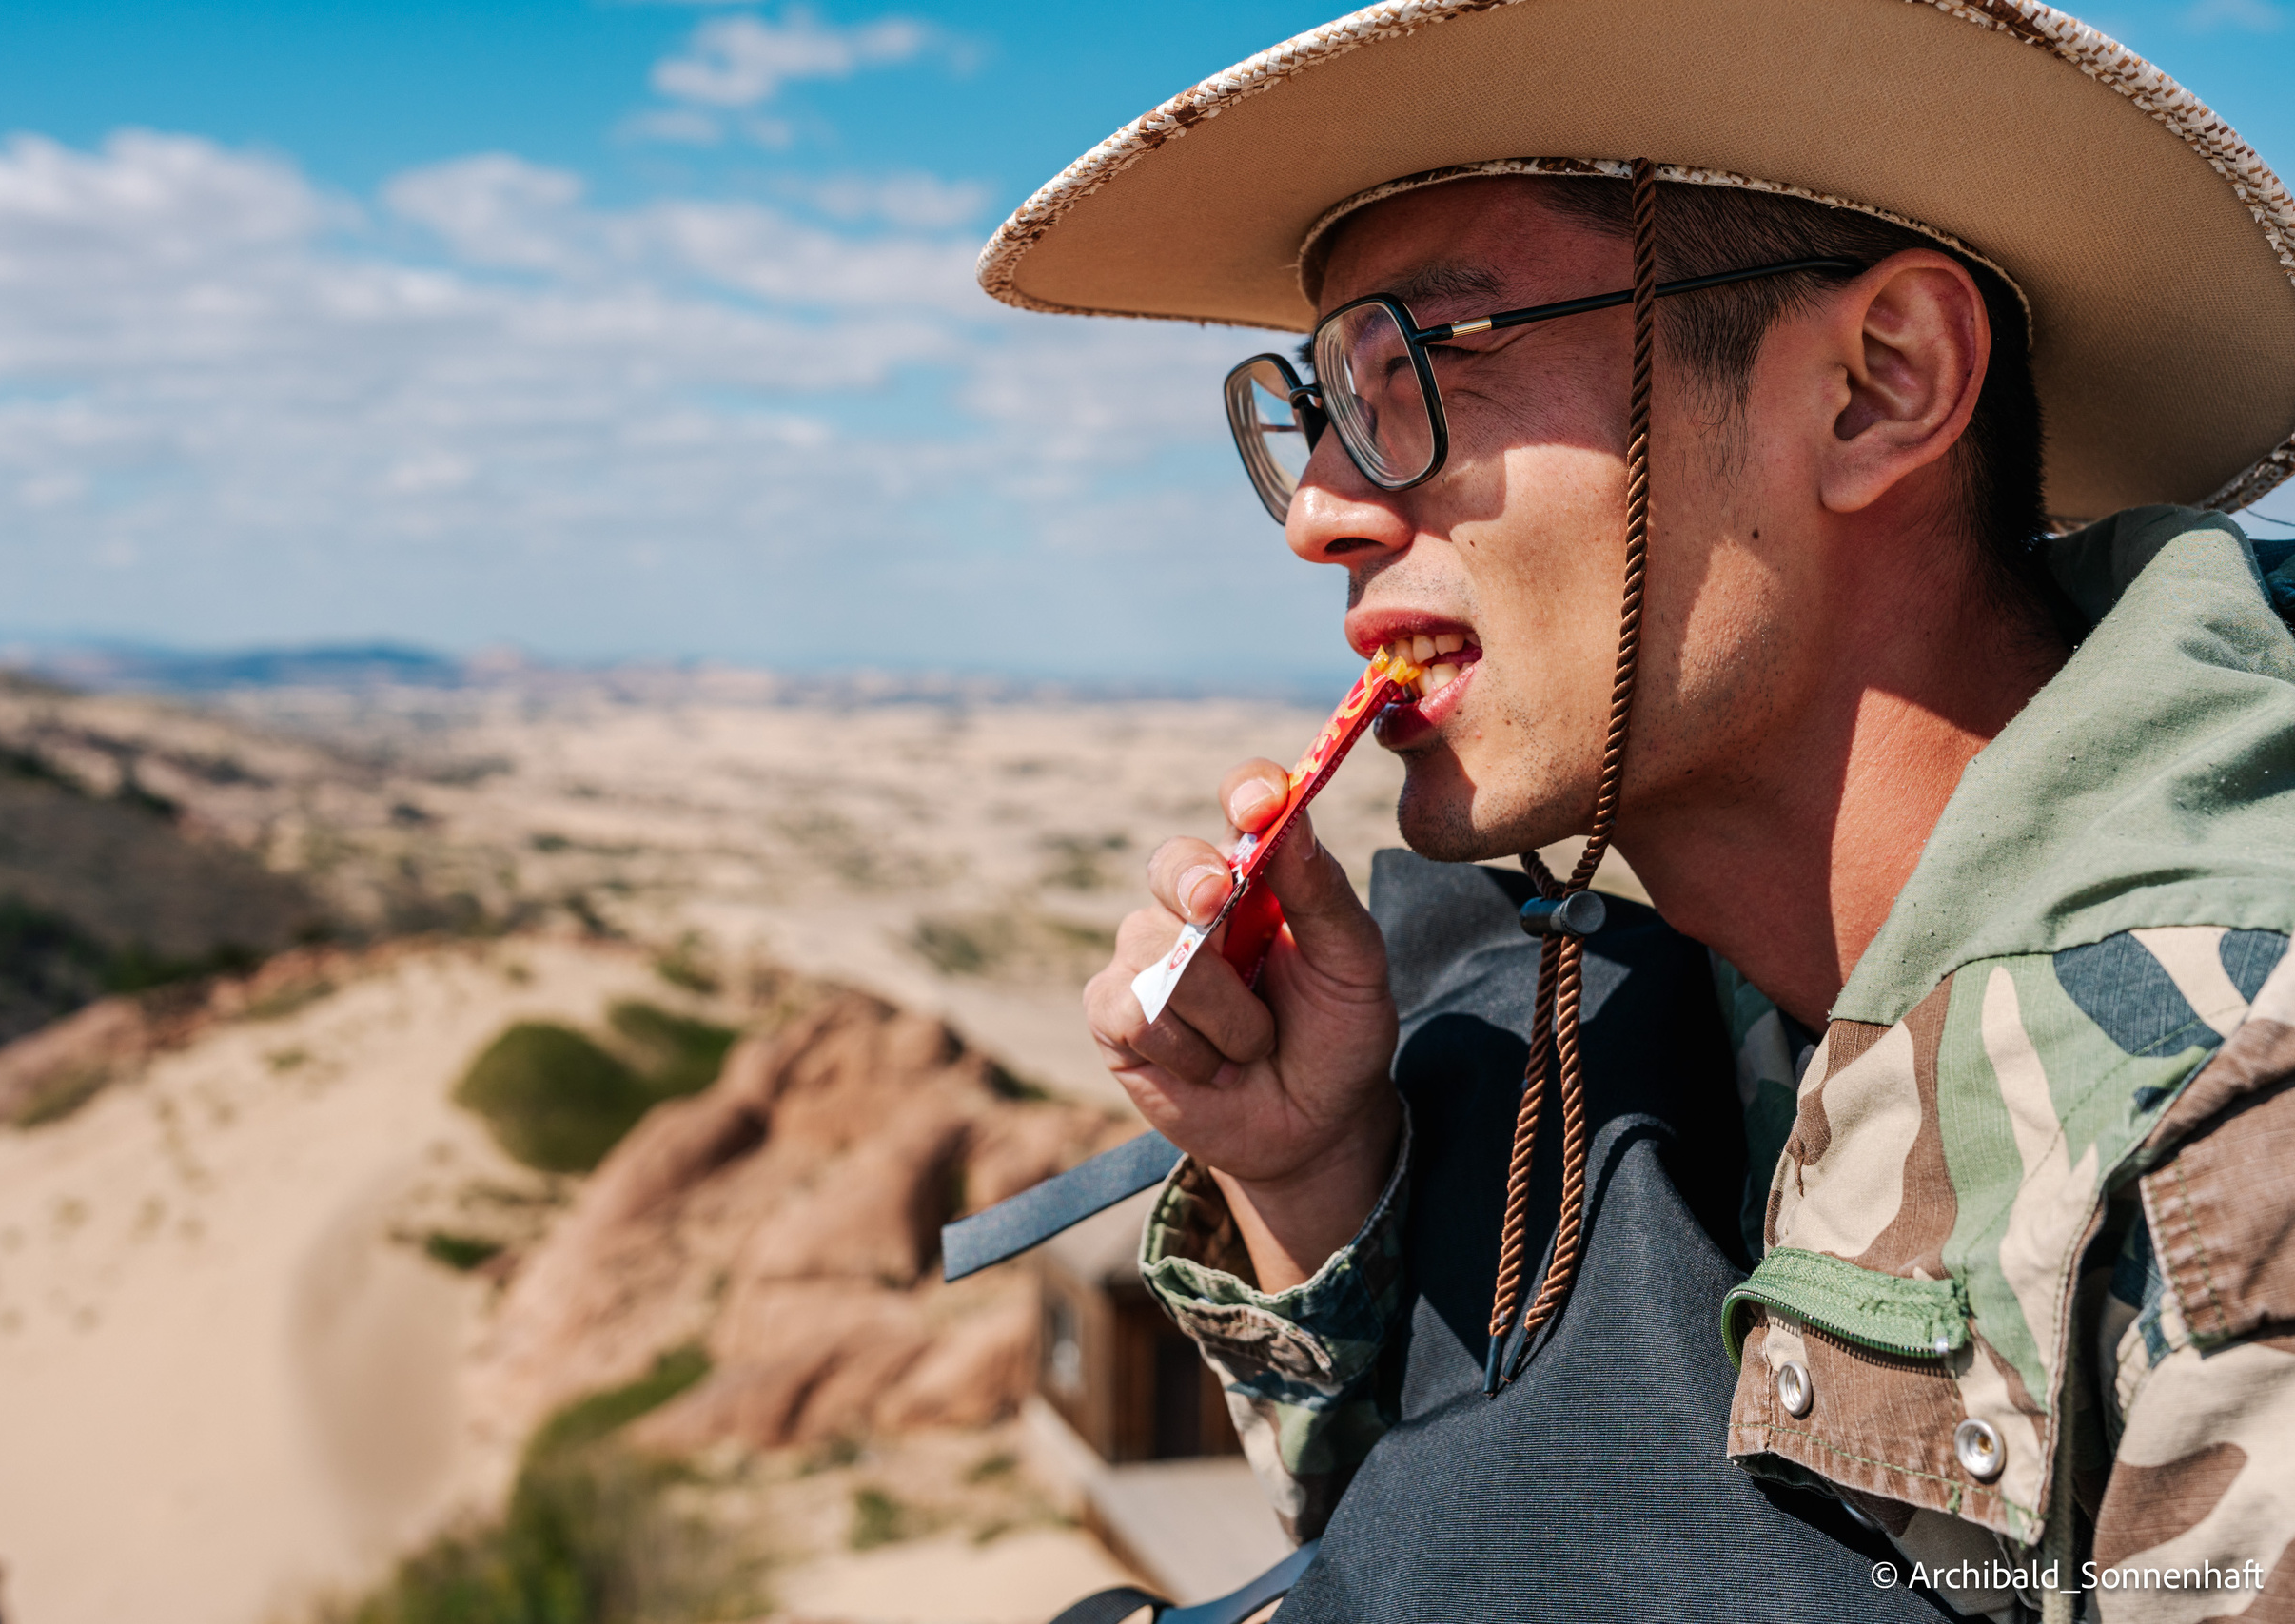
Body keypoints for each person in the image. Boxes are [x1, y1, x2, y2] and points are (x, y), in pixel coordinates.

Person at [975, 3, 2295, 1620]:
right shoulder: (1717, 1009)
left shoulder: (2233, 1151)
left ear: (1877, 387)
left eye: (1425, 361)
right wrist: (1311, 1179)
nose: (1320, 508)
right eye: (1319, 403)